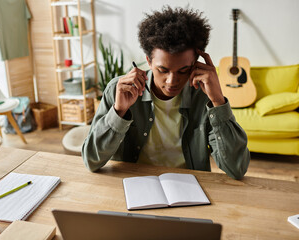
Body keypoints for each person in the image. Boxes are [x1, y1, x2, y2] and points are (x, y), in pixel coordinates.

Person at [82, 6, 250, 180]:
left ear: (196, 64)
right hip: (134, 184)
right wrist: (119, 111)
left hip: (190, 188)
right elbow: (92, 160)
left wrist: (218, 101)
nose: (171, 81)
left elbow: (236, 168)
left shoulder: (203, 97)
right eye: (162, 70)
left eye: (183, 70)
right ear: (148, 61)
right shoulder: (120, 91)